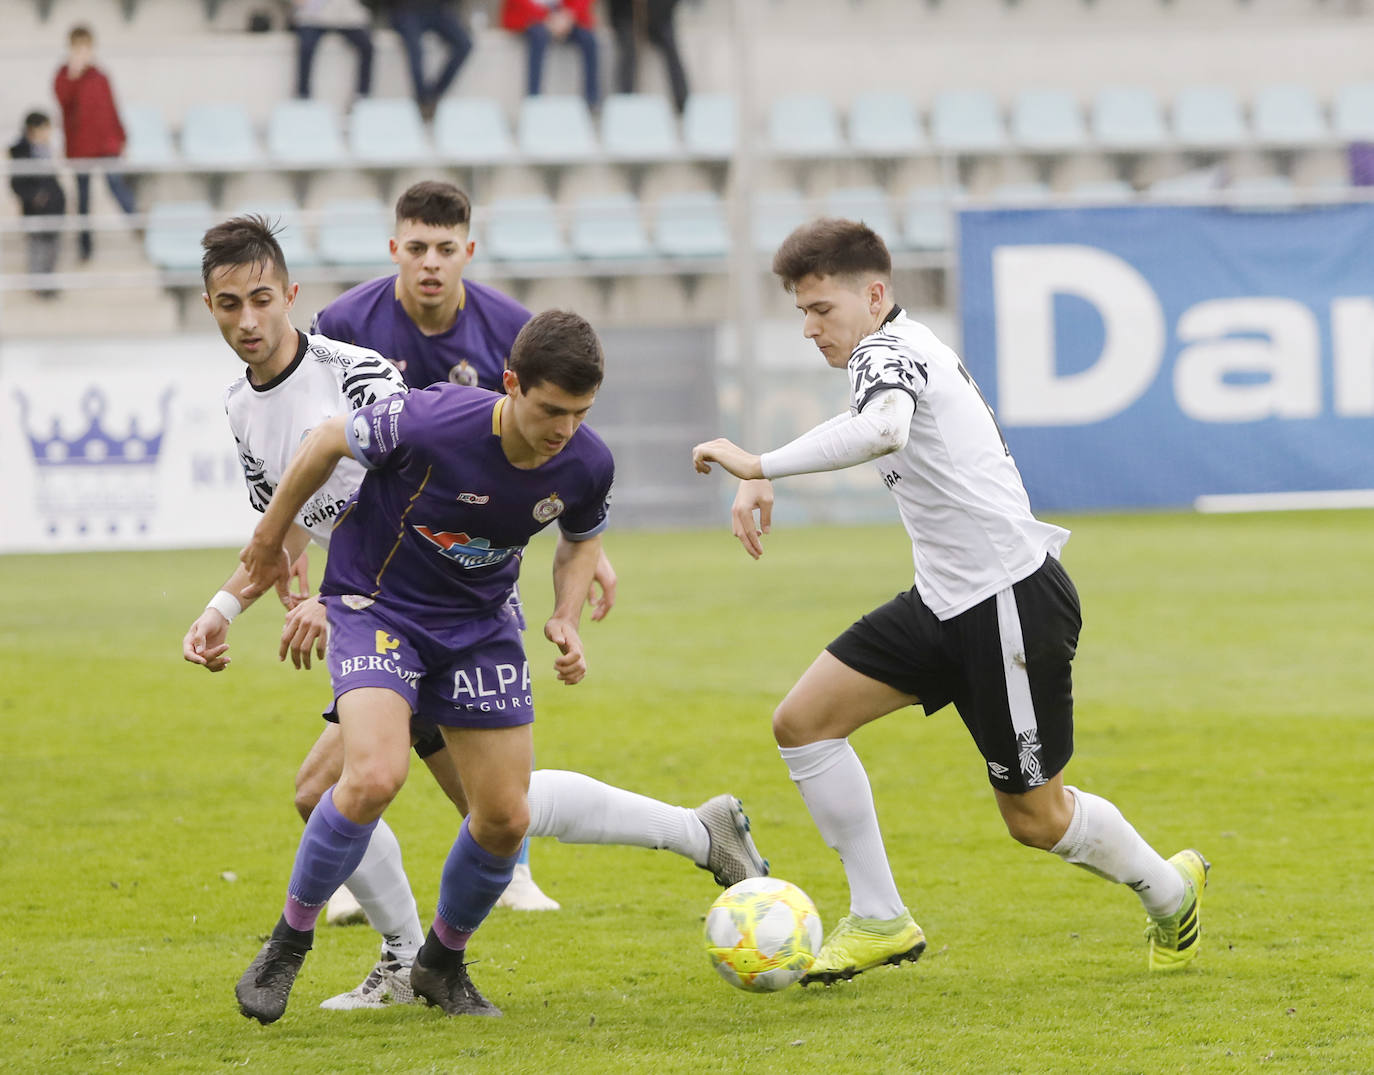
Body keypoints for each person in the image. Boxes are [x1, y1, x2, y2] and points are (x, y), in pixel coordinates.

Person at [184, 217, 765, 1016]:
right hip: (379, 602)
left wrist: (566, 609)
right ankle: (315, 944)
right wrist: (248, 586)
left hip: (468, 619)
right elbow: (305, 511)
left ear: (289, 297)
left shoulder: (360, 371)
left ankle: (429, 958)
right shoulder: (275, 403)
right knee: (359, 780)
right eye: (229, 304)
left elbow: (575, 528)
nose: (248, 320)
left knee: (498, 810)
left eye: (260, 300)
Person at [691, 218, 1209, 985]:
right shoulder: (898, 346)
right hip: (945, 599)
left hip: (1007, 603)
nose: (809, 327)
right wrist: (769, 474)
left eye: (821, 308)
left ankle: (1170, 892)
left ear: (874, 294)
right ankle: (879, 917)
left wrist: (759, 459)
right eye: (801, 311)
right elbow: (871, 419)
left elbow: (885, 428)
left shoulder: (887, 351)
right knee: (803, 723)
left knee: (1037, 818)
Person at [312, 179, 619, 912]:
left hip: (476, 557)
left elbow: (562, 449)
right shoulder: (343, 322)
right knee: (377, 725)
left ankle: (497, 857)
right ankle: (388, 862)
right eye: (416, 247)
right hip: (375, 555)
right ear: (394, 249)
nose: (430, 262)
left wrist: (587, 544)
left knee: (448, 720)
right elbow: (319, 447)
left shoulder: (514, 330)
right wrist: (299, 551)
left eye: (445, 249)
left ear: (467, 252)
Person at [52, 24, 136, 262]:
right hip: (80, 148)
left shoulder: (101, 76)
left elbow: (111, 108)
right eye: (78, 49)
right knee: (83, 197)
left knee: (116, 183)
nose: (83, 54)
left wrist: (121, 137)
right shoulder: (64, 76)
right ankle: (85, 245)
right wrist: (73, 75)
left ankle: (138, 225)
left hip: (106, 144)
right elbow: (63, 100)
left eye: (86, 48)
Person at [500, 0, 600, 111]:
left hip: (564, 17)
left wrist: (568, 14)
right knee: (539, 36)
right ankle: (533, 98)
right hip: (530, 18)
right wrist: (547, 17)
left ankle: (591, 99)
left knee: (588, 39)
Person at [8, 111, 66, 299]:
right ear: (34, 129)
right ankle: (39, 286)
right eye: (45, 128)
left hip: (54, 208)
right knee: (37, 247)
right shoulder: (22, 153)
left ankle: (47, 285)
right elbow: (17, 183)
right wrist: (36, 198)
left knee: (52, 247)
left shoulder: (45, 150)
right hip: (35, 210)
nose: (48, 132)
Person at [386, 0, 473, 121]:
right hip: (406, 10)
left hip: (436, 9)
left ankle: (434, 94)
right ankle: (423, 100)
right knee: (415, 50)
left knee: (465, 44)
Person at [608, 0, 688, 115]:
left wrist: (652, 15)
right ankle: (624, 100)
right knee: (628, 50)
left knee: (670, 46)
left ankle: (682, 101)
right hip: (627, 19)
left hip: (658, 20)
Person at [290, 0, 375, 101]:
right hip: (312, 18)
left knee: (366, 46)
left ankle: (363, 93)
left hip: (346, 17)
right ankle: (303, 93)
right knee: (306, 47)